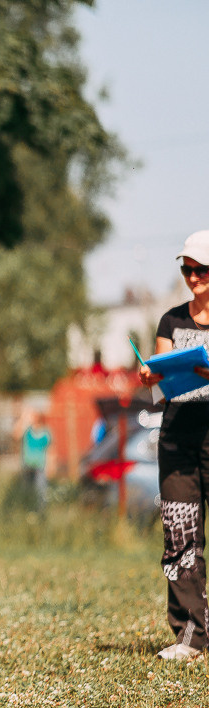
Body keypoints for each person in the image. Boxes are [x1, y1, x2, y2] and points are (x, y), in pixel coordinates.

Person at [137, 230, 209, 661]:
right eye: (187, 269)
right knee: (181, 533)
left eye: (202, 270)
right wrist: (152, 377)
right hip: (178, 436)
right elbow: (161, 382)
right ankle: (190, 635)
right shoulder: (170, 322)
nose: (193, 277)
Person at [20, 411, 51, 510]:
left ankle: (40, 509)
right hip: (27, 465)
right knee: (27, 489)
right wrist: (22, 419)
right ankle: (26, 508)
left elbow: (50, 450)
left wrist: (50, 465)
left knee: (40, 489)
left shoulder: (45, 433)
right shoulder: (27, 431)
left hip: (40, 465)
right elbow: (15, 434)